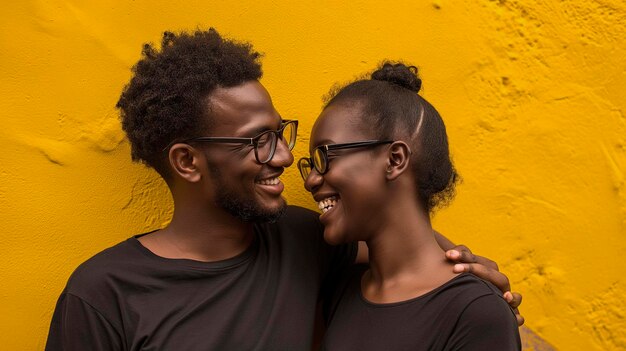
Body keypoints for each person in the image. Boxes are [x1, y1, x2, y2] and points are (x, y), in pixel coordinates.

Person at [45, 29, 520, 350]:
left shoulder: (305, 241)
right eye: (258, 140)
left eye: (279, 133)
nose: (284, 158)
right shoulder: (103, 295)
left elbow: (403, 239)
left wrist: (469, 268)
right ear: (187, 162)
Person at [299, 62, 522, 350]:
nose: (311, 180)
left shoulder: (475, 312)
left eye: (324, 157)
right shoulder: (343, 290)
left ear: (395, 160)